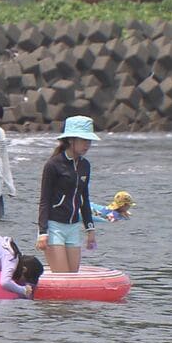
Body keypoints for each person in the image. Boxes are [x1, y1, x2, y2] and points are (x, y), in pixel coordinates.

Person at [36, 115, 100, 273]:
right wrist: (43, 233)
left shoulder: (85, 165)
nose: (87, 145)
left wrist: (90, 230)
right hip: (54, 227)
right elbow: (44, 201)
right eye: (84, 140)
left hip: (73, 227)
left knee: (72, 276)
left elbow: (84, 199)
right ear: (71, 140)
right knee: (63, 277)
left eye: (89, 141)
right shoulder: (53, 165)